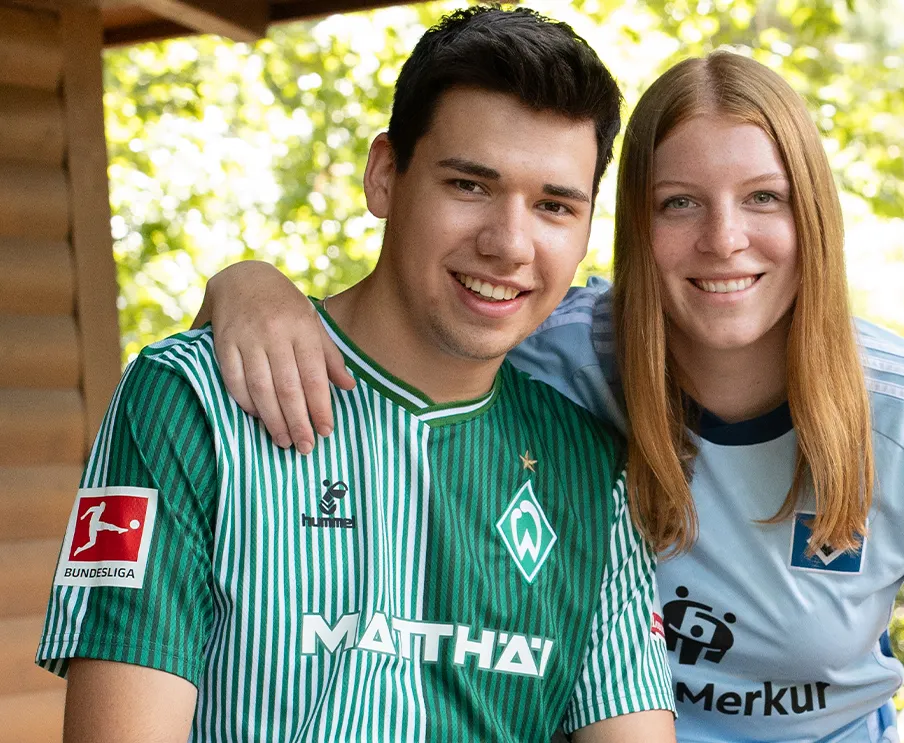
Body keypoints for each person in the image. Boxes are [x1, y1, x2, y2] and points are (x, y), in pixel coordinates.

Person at [197, 51, 904, 743]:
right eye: (680, 202)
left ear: (815, 218)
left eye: (764, 198)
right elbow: (389, 335)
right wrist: (247, 284)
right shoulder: (555, 356)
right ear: (632, 228)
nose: (724, 239)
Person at [35, 7, 677, 741]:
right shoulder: (192, 401)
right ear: (384, 175)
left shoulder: (590, 470)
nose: (509, 243)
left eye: (555, 205)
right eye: (469, 185)